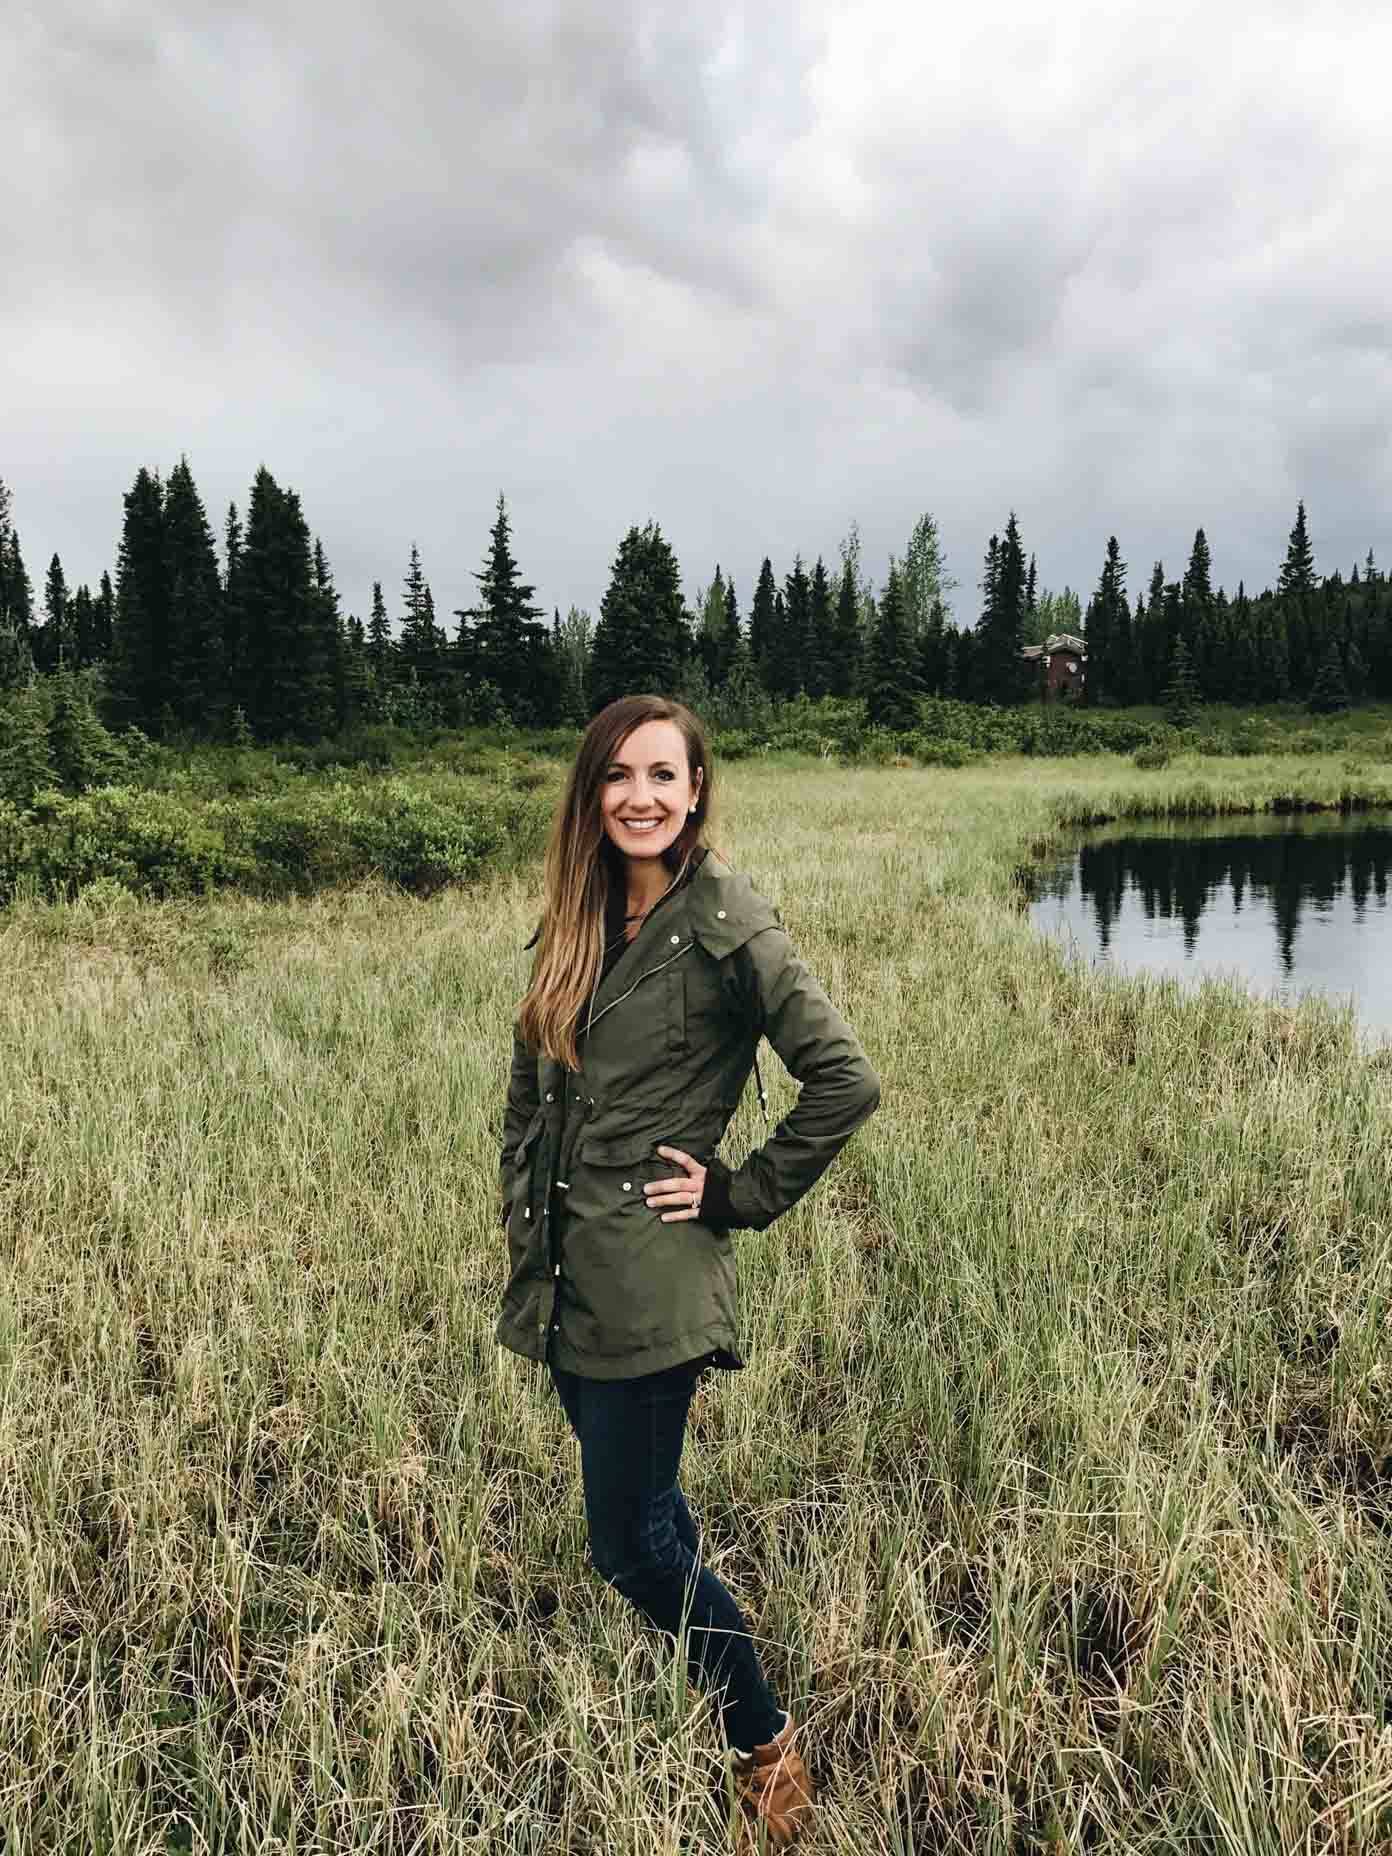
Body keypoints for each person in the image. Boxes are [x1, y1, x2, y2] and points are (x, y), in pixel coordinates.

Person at [496, 693, 881, 1849]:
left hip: (654, 1281)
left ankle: (761, 1738)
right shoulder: (584, 906)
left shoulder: (728, 918)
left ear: (698, 788)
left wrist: (736, 1191)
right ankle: (728, 1675)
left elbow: (843, 1079)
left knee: (628, 1544)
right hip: (565, 1274)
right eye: (618, 775)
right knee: (651, 1511)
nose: (640, 796)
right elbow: (535, 1075)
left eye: (663, 774)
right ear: (592, 791)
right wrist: (520, 1194)